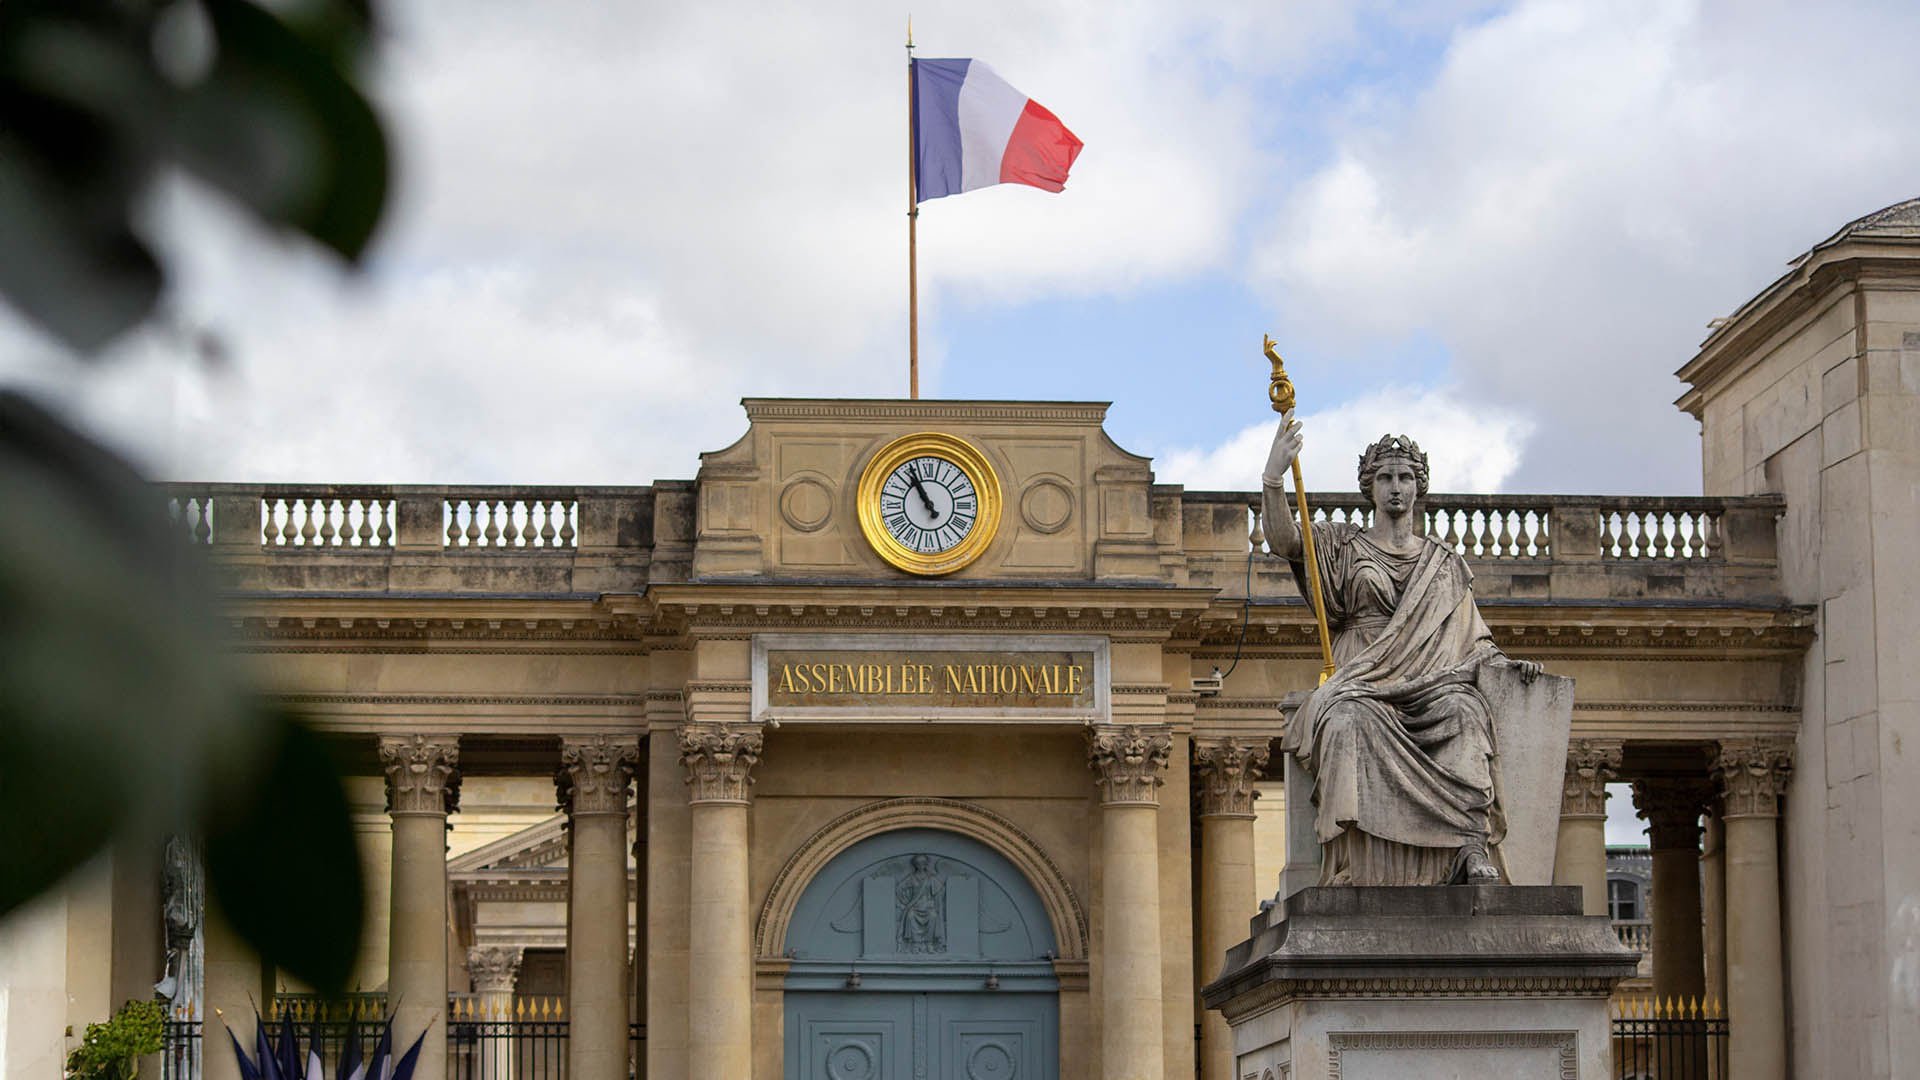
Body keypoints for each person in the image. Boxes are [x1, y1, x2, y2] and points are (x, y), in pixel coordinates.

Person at [1262, 411, 1541, 885]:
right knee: (1347, 719)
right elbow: (1286, 541)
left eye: (1406, 477)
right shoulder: (1341, 544)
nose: (1396, 487)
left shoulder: (1443, 562)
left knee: (1466, 714)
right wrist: (1274, 478)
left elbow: (1473, 638)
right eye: (1386, 478)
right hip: (1362, 678)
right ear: (1369, 488)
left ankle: (1468, 848)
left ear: (1419, 486)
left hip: (1432, 681)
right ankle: (1356, 861)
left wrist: (1506, 666)